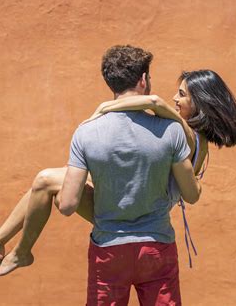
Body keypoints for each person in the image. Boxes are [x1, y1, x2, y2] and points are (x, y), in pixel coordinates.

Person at [0, 47, 236, 283]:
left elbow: (155, 101)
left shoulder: (186, 133)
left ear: (201, 101)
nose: (176, 98)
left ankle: (17, 251)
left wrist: (105, 107)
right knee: (44, 181)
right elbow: (154, 103)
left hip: (129, 213)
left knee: (46, 180)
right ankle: (2, 245)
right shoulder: (191, 135)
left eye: (183, 94)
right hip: (141, 209)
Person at [58, 45, 201, 305]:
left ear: (110, 82)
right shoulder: (170, 130)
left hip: (108, 249)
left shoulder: (85, 132)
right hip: (157, 247)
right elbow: (191, 195)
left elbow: (67, 205)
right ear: (143, 79)